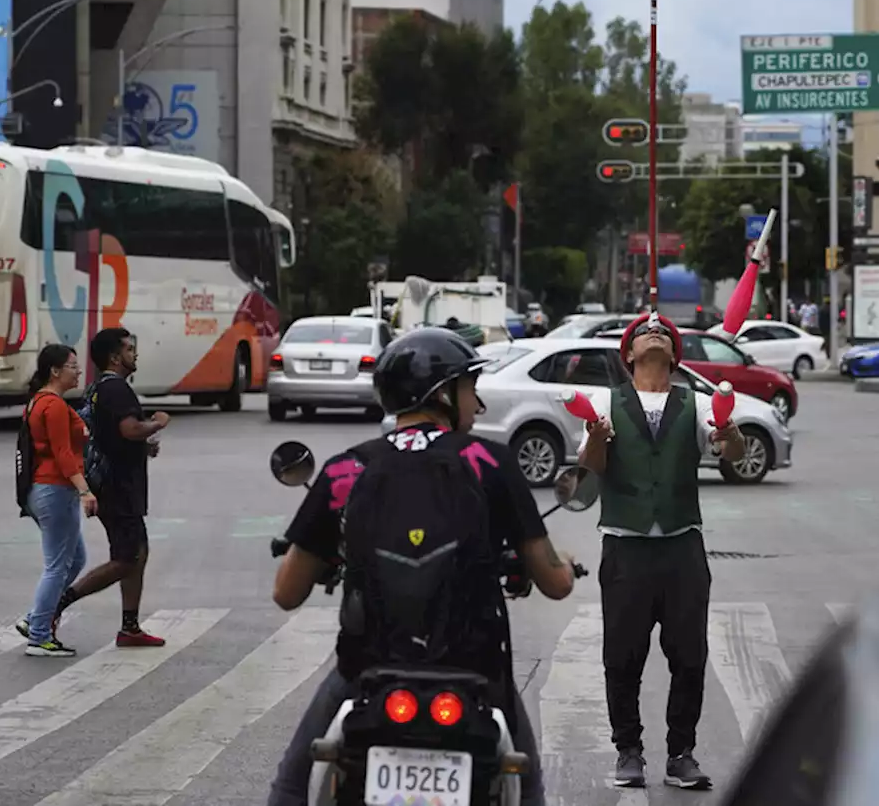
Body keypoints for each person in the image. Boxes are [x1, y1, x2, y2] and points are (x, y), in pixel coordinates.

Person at [267, 326, 576, 806]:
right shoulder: (488, 461)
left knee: (292, 782)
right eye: (471, 388)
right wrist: (561, 565)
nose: (478, 405)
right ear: (443, 393)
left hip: (369, 667)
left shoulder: (346, 470)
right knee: (527, 779)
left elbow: (286, 592)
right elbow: (555, 584)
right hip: (474, 668)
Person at [577, 310, 746, 791]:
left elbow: (729, 453)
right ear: (628, 353)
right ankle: (627, 751)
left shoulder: (694, 404)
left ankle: (681, 754)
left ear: (675, 355)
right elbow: (590, 469)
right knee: (622, 657)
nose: (656, 333)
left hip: (681, 548)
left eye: (665, 334)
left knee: (689, 655)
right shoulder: (603, 402)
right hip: (626, 549)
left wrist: (730, 436)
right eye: (645, 332)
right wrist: (594, 439)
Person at [55, 327, 168, 647]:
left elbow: (110, 435)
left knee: (138, 553)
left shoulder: (98, 388)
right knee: (127, 558)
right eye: (130, 349)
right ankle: (58, 603)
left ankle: (130, 627)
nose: (136, 354)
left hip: (112, 484)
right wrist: (157, 423)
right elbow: (130, 429)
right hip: (117, 487)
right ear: (116, 357)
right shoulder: (116, 389)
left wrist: (143, 446)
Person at [15, 344, 95, 657]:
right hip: (55, 489)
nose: (78, 370)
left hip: (41, 490)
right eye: (73, 365)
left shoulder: (38, 402)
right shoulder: (54, 406)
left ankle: (37, 618)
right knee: (57, 566)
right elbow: (63, 453)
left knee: (74, 560)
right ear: (55, 370)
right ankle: (39, 636)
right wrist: (85, 490)